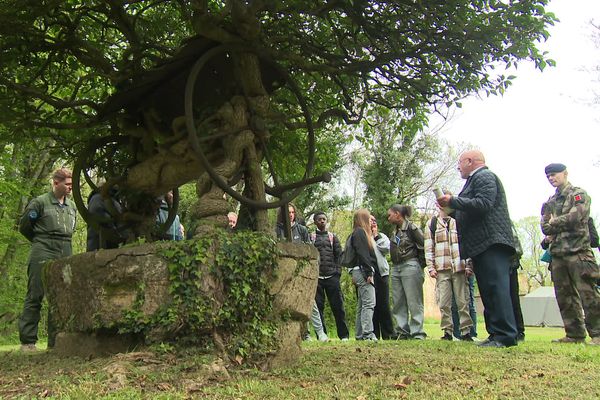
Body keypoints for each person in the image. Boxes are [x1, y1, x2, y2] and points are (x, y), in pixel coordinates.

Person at [437, 150, 517, 347]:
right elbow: (471, 210)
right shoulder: (475, 180)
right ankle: (495, 334)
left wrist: (453, 201)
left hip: (492, 242)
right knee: (488, 290)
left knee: (496, 288)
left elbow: (484, 203)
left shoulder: (485, 176)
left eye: (460, 163)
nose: (458, 167)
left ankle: (505, 335)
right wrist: (451, 210)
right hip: (481, 244)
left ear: (470, 161)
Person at [18, 168, 77, 352]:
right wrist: (40, 243)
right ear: (56, 183)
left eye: (71, 185)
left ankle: (56, 341)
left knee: (61, 296)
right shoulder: (40, 203)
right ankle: (28, 341)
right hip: (43, 248)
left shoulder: (72, 206)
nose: (70, 188)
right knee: (35, 294)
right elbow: (25, 227)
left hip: (65, 248)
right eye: (67, 184)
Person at [540, 163, 600, 345]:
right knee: (565, 297)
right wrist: (553, 225)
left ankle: (598, 334)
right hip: (558, 254)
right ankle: (574, 335)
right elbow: (544, 226)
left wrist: (554, 222)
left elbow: (576, 217)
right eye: (548, 176)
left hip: (578, 252)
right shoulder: (550, 201)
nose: (551, 178)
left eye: (554, 174)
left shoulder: (578, 194)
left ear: (565, 173)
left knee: (588, 295)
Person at [275, 203, 325, 340]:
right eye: (287, 212)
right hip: (286, 273)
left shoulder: (302, 230)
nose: (290, 214)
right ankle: (303, 334)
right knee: (291, 305)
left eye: (292, 212)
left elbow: (311, 250)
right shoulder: (276, 230)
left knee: (310, 303)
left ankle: (320, 333)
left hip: (303, 272)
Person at [424, 204, 474, 341]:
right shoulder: (432, 224)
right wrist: (431, 267)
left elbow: (467, 244)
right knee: (444, 302)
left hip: (459, 266)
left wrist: (469, 265)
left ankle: (466, 331)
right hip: (441, 267)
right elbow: (429, 247)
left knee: (463, 301)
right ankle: (447, 331)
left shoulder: (458, 221)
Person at [387, 204, 427, 340]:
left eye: (390, 214)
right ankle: (402, 331)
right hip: (396, 268)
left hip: (410, 266)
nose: (388, 217)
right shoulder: (395, 231)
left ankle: (417, 333)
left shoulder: (412, 228)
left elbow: (424, 246)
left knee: (414, 301)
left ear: (397, 214)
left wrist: (419, 265)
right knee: (398, 301)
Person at [311, 212, 349, 341]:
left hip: (332, 276)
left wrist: (337, 272)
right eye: (319, 219)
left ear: (326, 221)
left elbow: (339, 255)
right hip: (317, 278)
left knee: (338, 307)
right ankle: (322, 335)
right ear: (315, 221)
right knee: (318, 307)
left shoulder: (333, 237)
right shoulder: (311, 237)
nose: (322, 221)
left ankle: (344, 335)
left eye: (324, 219)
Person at [348, 209, 378, 341]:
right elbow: (363, 254)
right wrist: (368, 272)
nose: (371, 221)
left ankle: (360, 334)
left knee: (361, 304)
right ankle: (368, 334)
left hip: (357, 271)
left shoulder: (355, 233)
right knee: (369, 303)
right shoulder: (360, 233)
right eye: (368, 218)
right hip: (362, 271)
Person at [369, 214, 395, 340]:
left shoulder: (382, 236)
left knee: (383, 304)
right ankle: (374, 333)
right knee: (371, 305)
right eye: (370, 220)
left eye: (375, 220)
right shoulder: (361, 236)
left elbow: (385, 248)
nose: (373, 222)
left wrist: (376, 236)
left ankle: (388, 334)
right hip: (368, 275)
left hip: (382, 274)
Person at [86, 186, 129, 251]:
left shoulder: (96, 199)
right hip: (102, 247)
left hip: (95, 246)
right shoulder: (105, 200)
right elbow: (122, 224)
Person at [509, 225, 526, 342]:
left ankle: (519, 331)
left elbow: (517, 248)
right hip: (499, 265)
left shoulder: (507, 224)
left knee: (513, 298)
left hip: (510, 264)